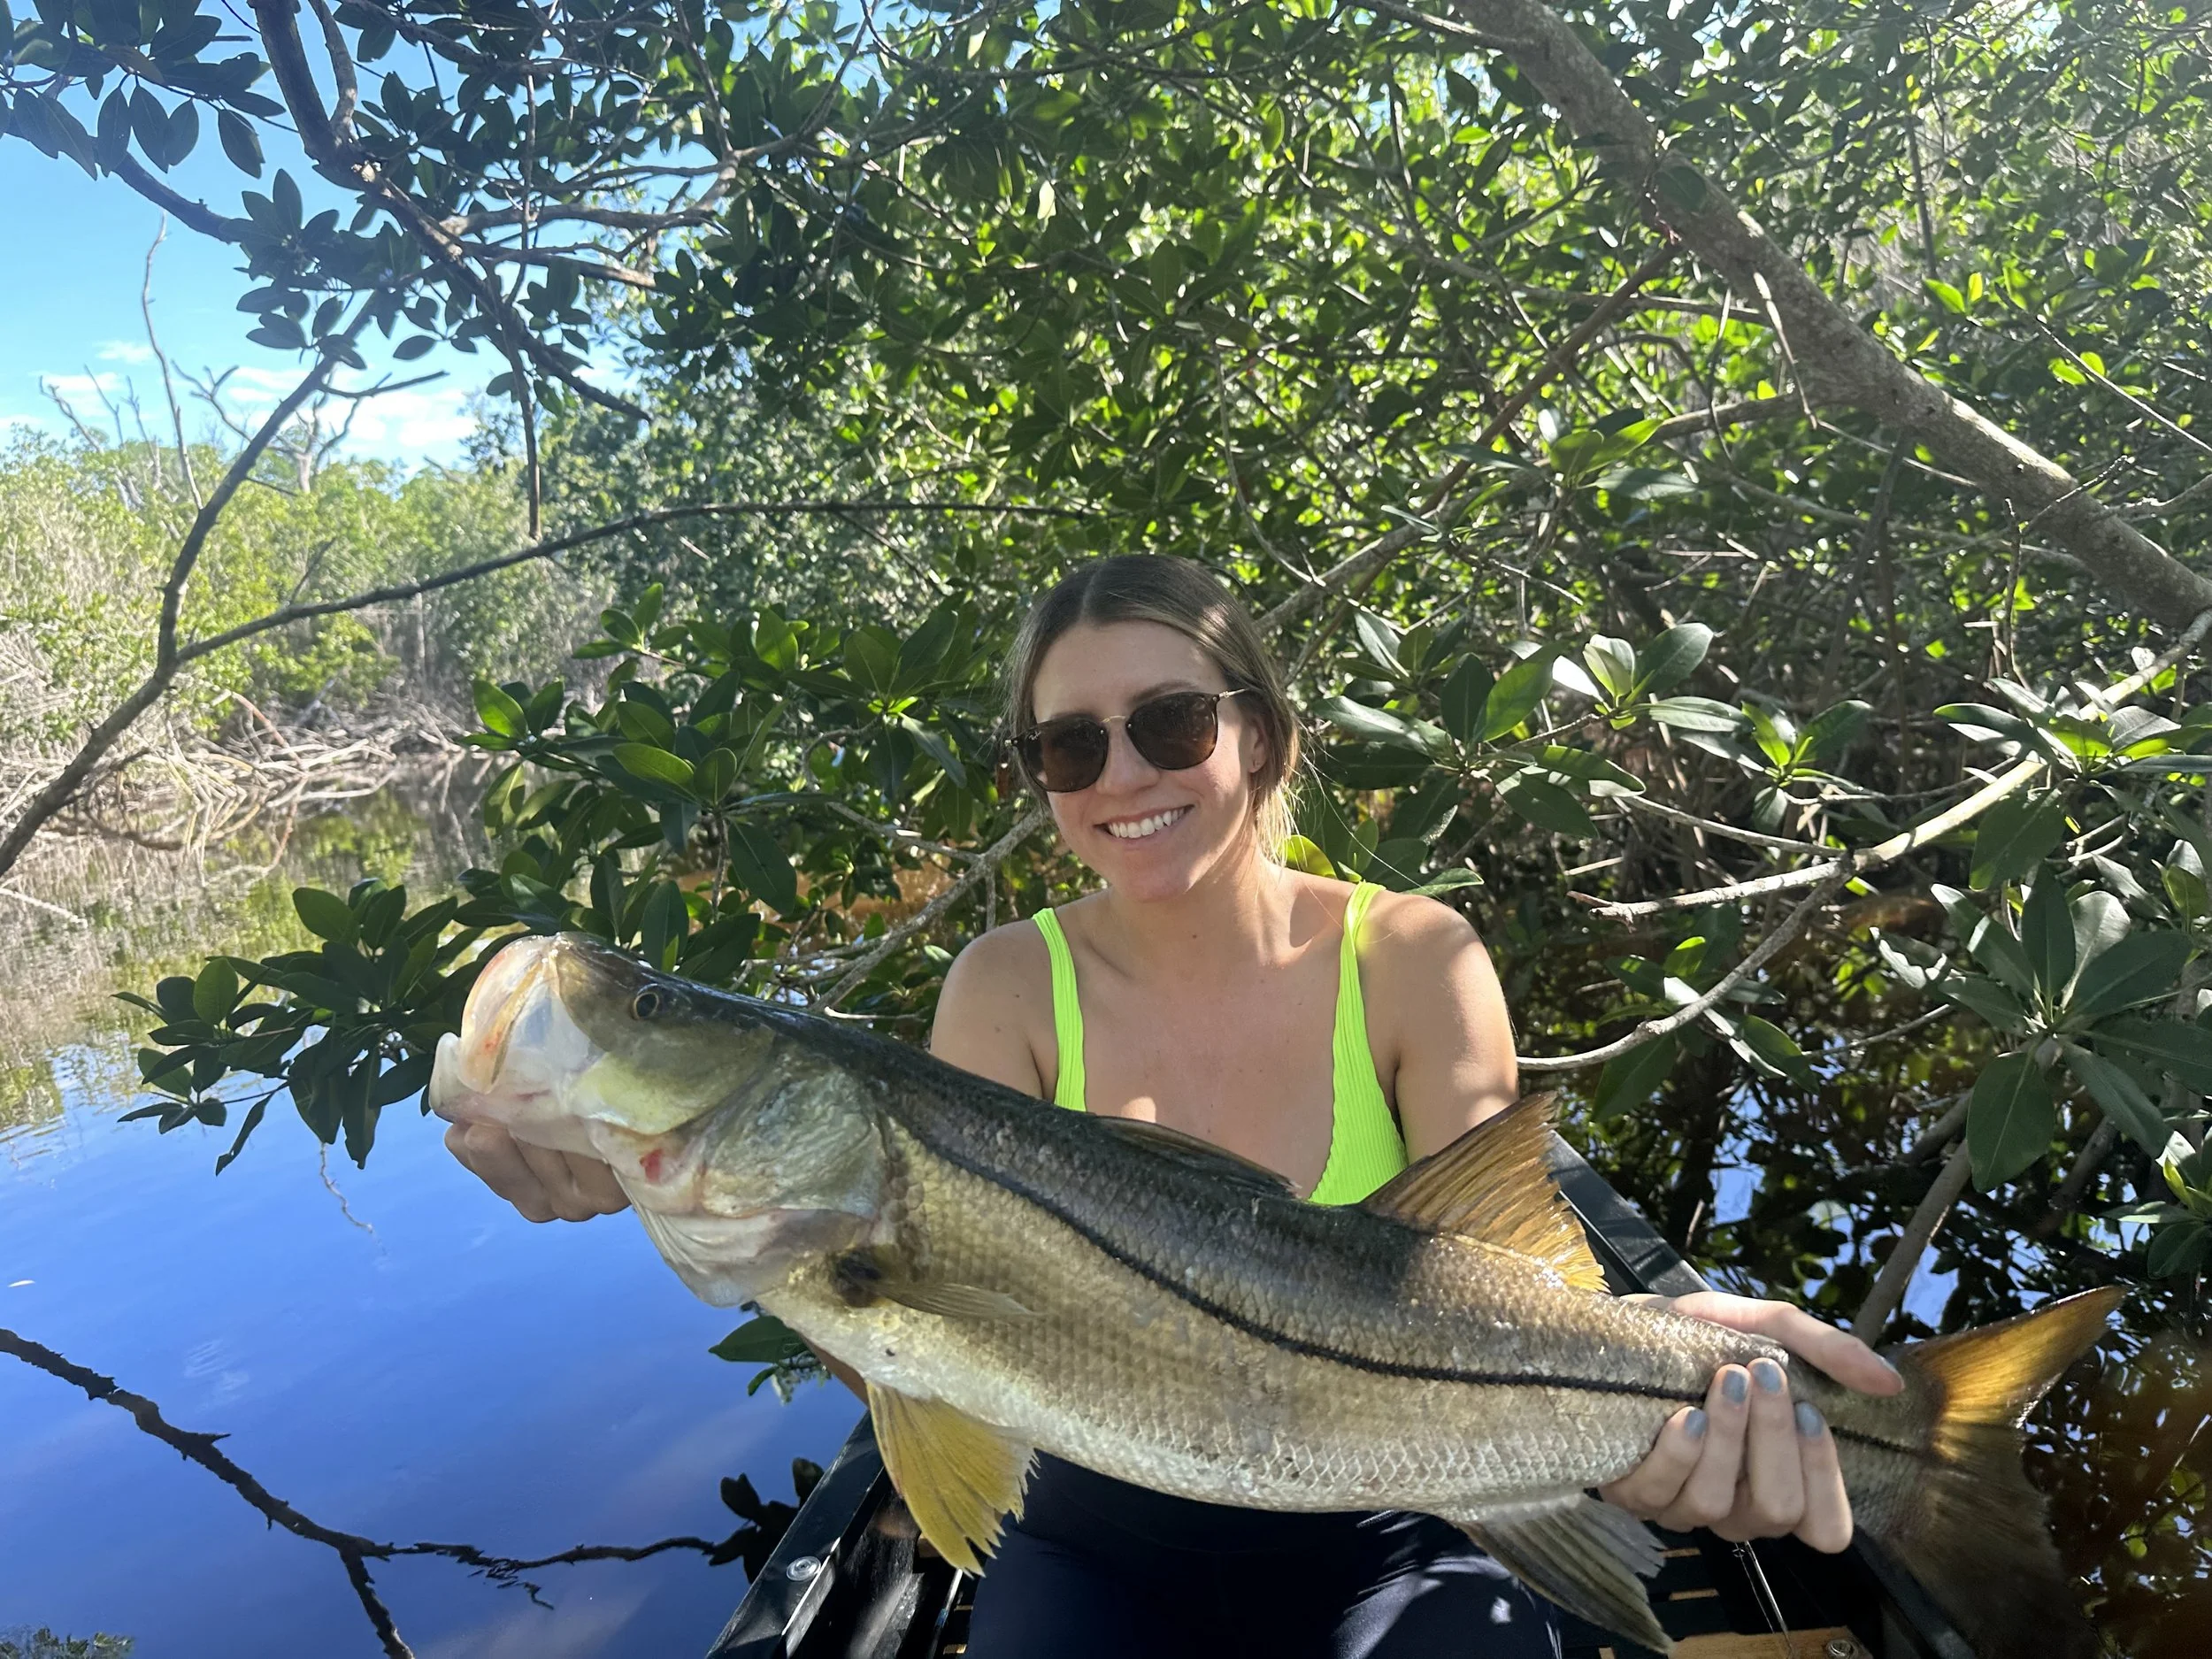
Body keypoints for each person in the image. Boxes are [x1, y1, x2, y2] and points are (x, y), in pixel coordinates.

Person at [446, 555, 1902, 1657]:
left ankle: (1919, 1460)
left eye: (1170, 721)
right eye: (1067, 747)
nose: (1121, 775)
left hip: (1418, 1519)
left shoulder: (1412, 955)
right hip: (1097, 1537)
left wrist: (1673, 1378)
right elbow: (921, 1358)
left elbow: (1519, 1279)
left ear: (1257, 736)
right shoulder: (1003, 983)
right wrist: (647, 1192)